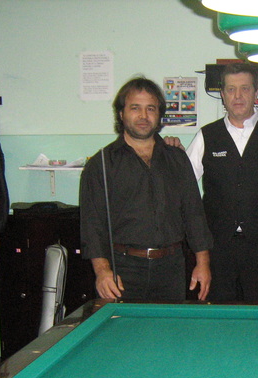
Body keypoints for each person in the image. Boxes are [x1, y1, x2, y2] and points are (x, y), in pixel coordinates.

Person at [80, 76, 213, 302]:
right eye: (135, 108)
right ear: (121, 114)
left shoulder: (177, 159)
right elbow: (92, 224)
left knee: (169, 326)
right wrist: (102, 271)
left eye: (150, 108)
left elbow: (194, 214)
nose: (143, 116)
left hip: (171, 268)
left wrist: (203, 263)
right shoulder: (101, 164)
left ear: (159, 114)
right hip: (121, 270)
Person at [186, 63, 258, 301]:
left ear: (256, 93)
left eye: (245, 88)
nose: (238, 96)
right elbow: (184, 188)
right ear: (223, 95)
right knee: (221, 316)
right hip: (218, 250)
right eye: (231, 89)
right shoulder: (206, 136)